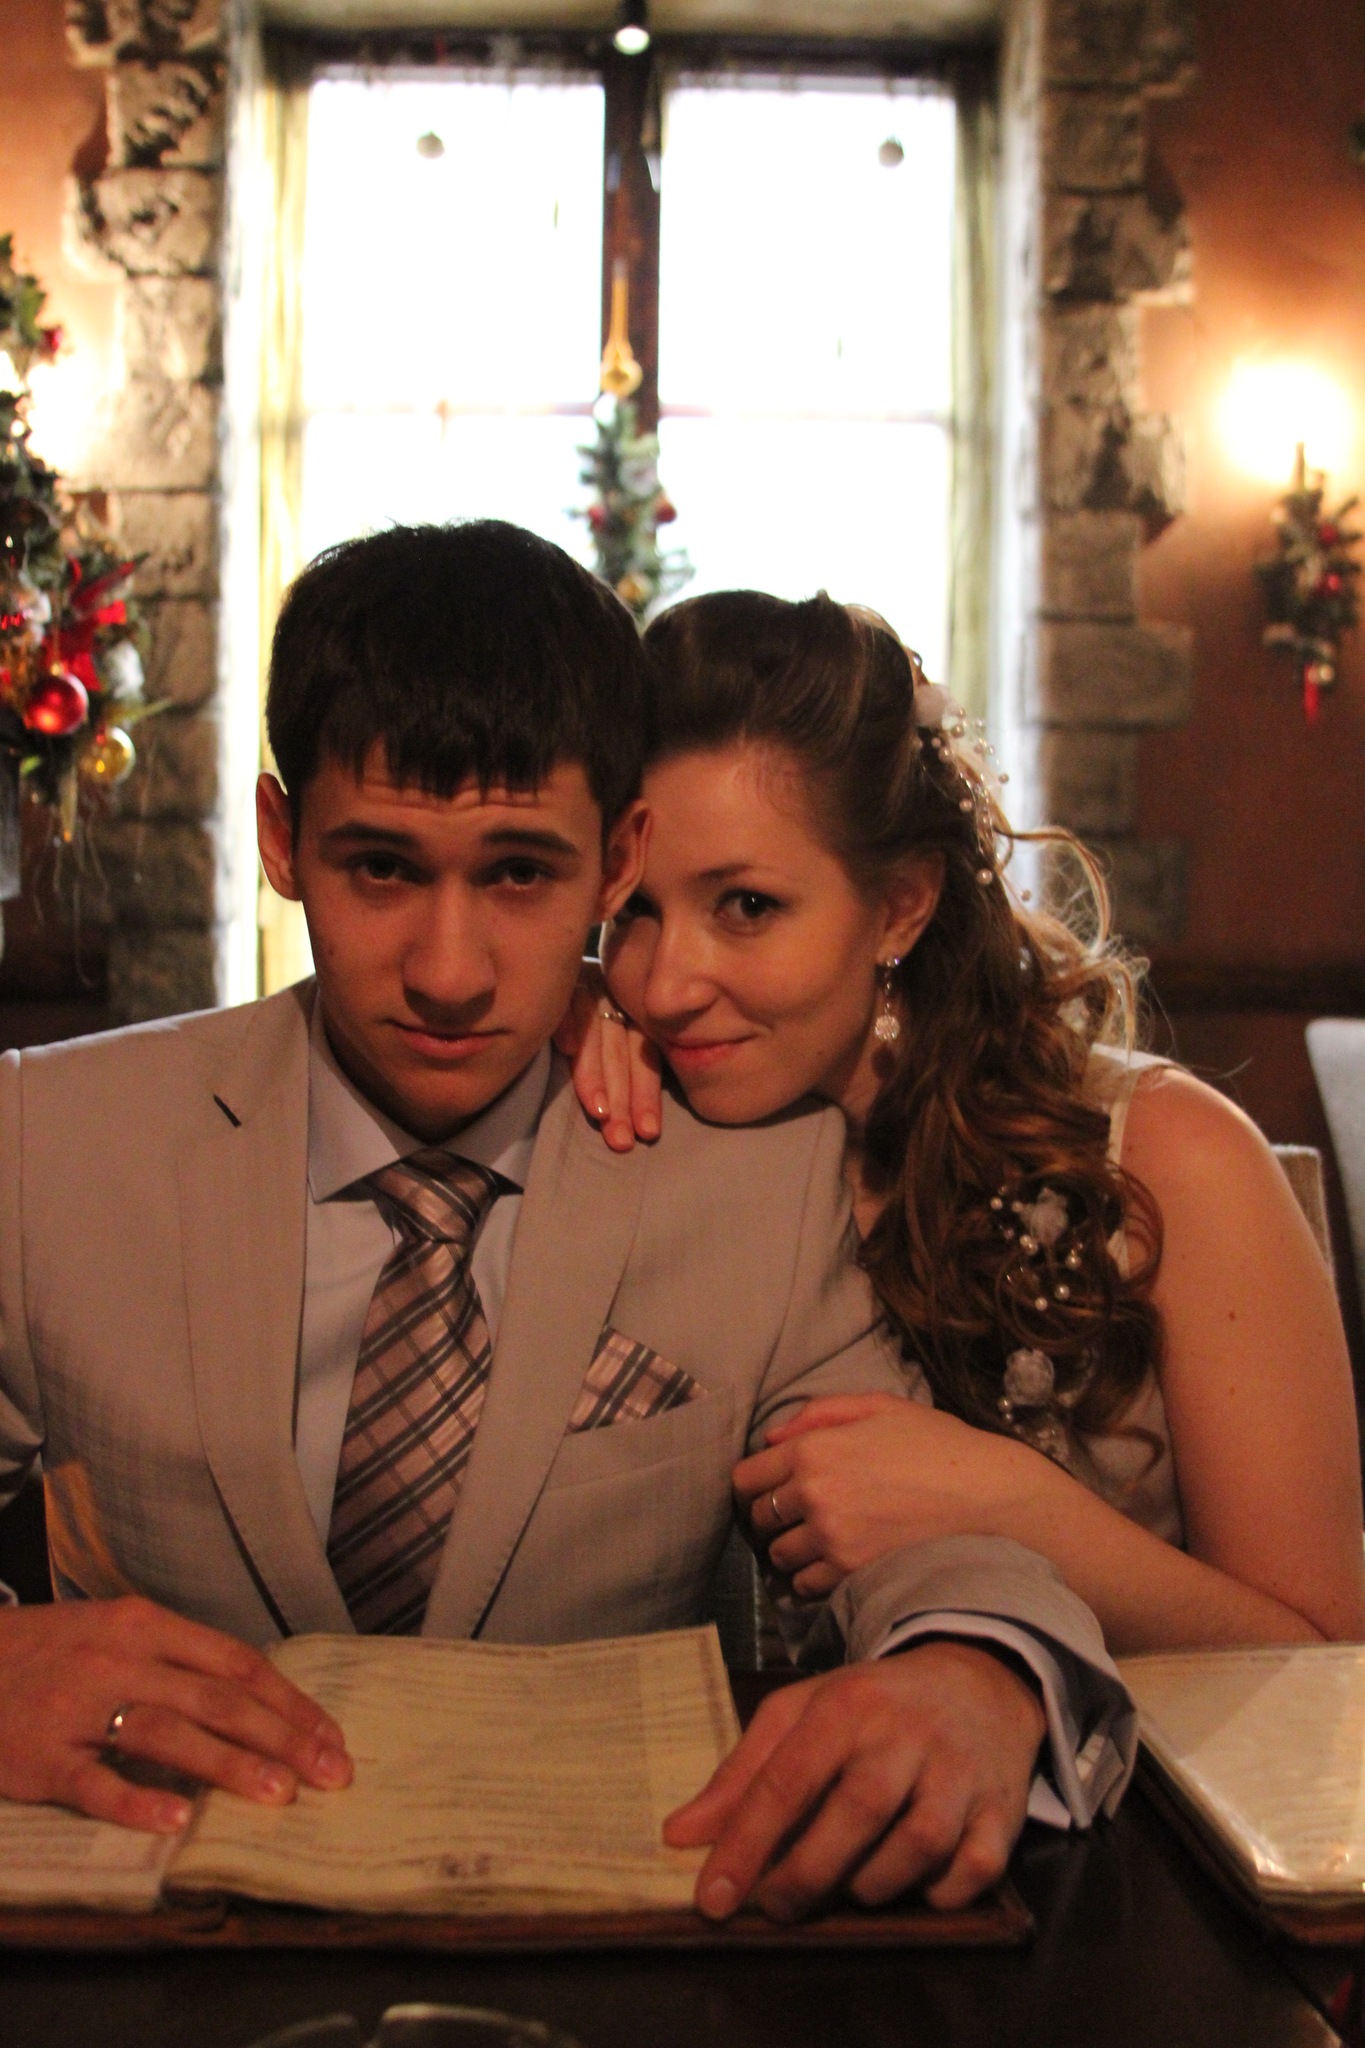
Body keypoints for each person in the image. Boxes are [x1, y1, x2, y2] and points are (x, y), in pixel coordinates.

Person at [0, 523, 1135, 1926]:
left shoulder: (757, 1184)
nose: (449, 971)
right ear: (282, 842)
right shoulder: (50, 1143)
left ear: (617, 861)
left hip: (593, 1964)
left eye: (520, 874)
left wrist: (975, 1671)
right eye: (381, 868)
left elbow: (933, 1540)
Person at [566, 587, 1365, 1658]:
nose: (666, 985)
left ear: (901, 904)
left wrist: (1013, 1509)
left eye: (747, 906)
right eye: (632, 911)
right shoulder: (631, 1117)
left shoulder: (1173, 1158)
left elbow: (1325, 1661)